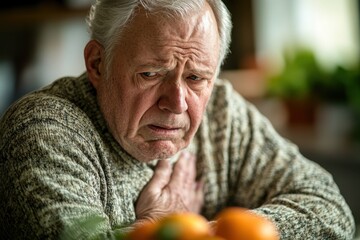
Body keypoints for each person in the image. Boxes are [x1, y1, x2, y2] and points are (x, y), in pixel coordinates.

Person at [0, 0, 356, 239]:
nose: (177, 103)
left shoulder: (222, 112)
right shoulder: (43, 131)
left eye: (196, 78)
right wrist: (157, 228)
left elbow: (332, 213)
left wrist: (190, 231)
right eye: (151, 74)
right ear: (97, 64)